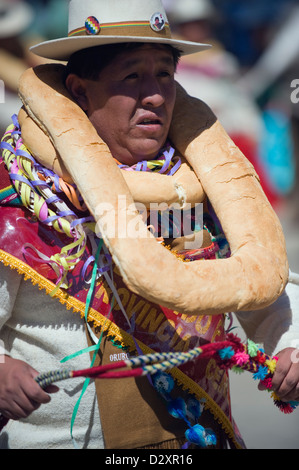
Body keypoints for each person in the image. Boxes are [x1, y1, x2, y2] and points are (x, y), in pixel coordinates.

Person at [0, 0, 298, 450]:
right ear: (80, 90)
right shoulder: (20, 195)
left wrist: (289, 344)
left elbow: (259, 285)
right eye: (132, 76)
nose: (155, 95)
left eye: (164, 74)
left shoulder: (199, 185)